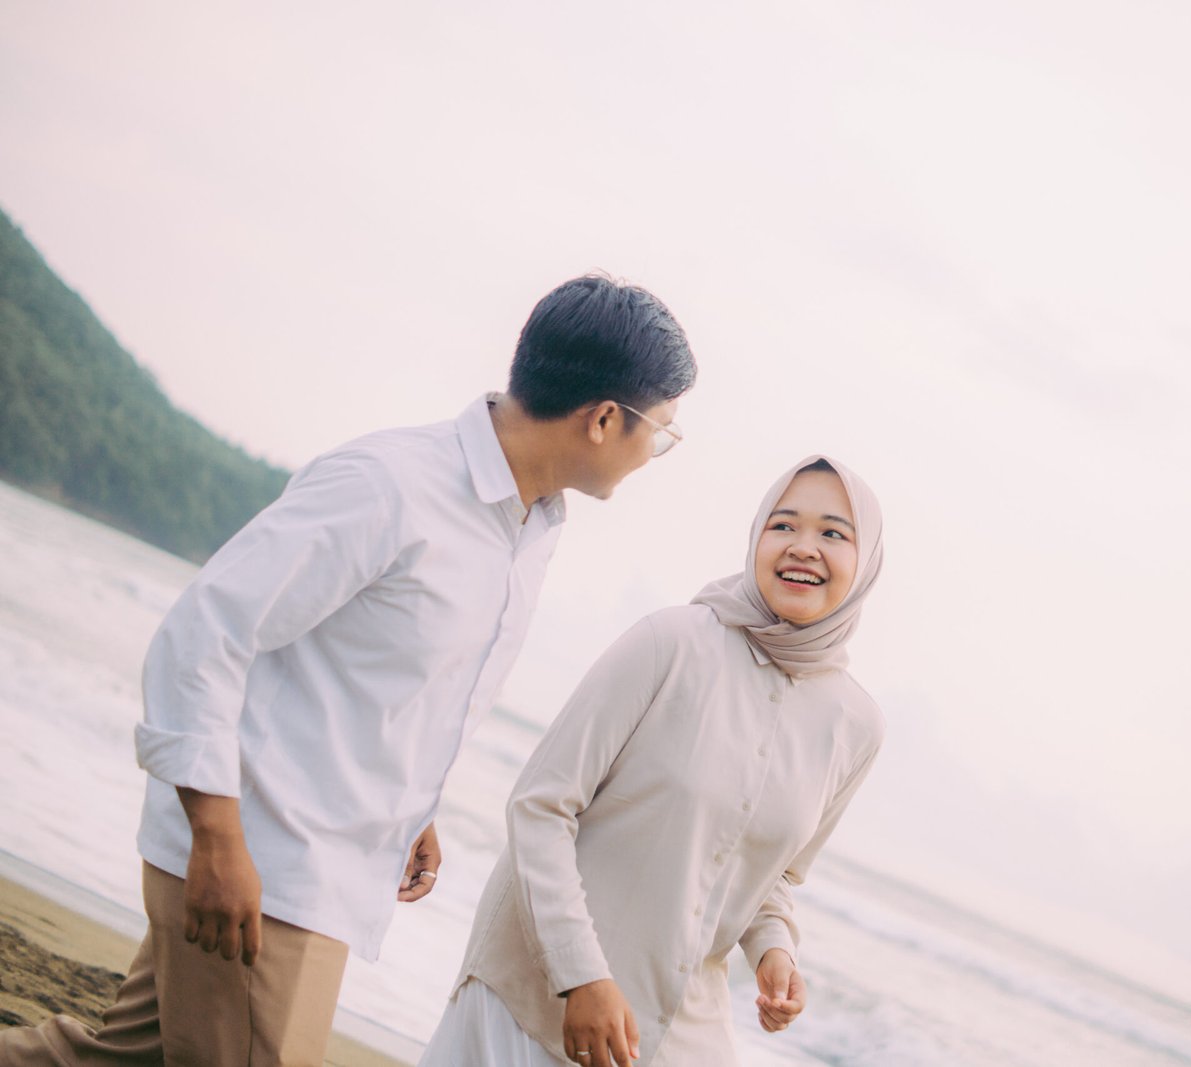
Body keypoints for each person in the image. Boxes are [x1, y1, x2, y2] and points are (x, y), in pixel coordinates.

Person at [0, 274, 697, 1067]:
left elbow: (387, 677)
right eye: (661, 431)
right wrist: (217, 838)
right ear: (604, 419)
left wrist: (411, 804)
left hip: (316, 872)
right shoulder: (390, 483)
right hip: (265, 866)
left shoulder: (532, 524)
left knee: (111, 1060)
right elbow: (202, 633)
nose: (655, 454)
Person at [418, 455, 887, 1067]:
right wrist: (580, 975)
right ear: (756, 536)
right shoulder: (671, 642)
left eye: (833, 533)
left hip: (679, 1026)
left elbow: (771, 875)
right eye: (783, 525)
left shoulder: (856, 725)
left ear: (866, 561)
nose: (803, 546)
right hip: (531, 997)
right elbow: (540, 806)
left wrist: (775, 951)